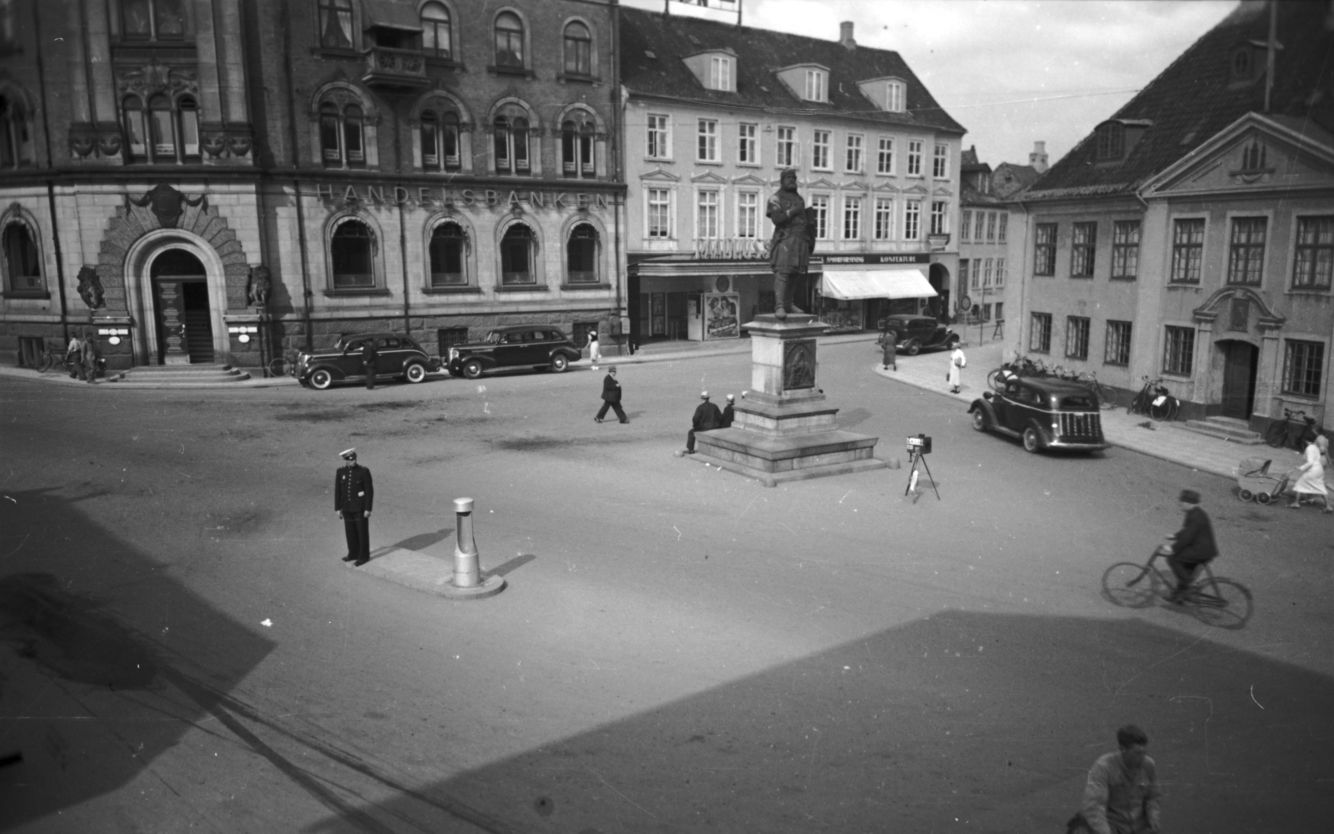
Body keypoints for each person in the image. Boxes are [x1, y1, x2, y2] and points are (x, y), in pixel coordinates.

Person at [1068, 725, 1162, 834]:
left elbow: (1153, 796)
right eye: (1137, 753)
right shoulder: (1103, 767)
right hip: (1111, 825)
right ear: (1123, 749)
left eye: (1144, 753)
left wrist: (1153, 815)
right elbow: (1095, 806)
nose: (1141, 758)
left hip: (1138, 825)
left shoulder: (1148, 765)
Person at [766, 168, 814, 319]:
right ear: (782, 180)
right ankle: (779, 305)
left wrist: (810, 240)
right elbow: (777, 219)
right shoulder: (775, 198)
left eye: (793, 178)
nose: (792, 180)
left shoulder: (799, 199)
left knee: (795, 274)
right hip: (786, 239)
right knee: (783, 273)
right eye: (788, 178)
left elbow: (807, 222)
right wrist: (793, 211)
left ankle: (788, 303)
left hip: (801, 240)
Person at [1163, 488, 1218, 603]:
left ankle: (1187, 587)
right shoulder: (1194, 513)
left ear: (1188, 503)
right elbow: (1186, 532)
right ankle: (1179, 597)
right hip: (1202, 549)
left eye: (1182, 502)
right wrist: (1175, 536)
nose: (1180, 504)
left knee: (1173, 559)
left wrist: (1173, 548)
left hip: (1201, 551)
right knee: (1184, 569)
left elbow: (1187, 537)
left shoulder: (1195, 517)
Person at [335, 448, 374, 566]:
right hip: (347, 508)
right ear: (345, 460)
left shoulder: (363, 471)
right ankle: (353, 553)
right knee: (350, 532)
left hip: (359, 508)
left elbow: (369, 491)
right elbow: (338, 491)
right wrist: (338, 508)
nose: (353, 462)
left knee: (362, 533)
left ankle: (363, 556)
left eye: (354, 460)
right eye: (350, 460)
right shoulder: (340, 472)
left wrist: (368, 508)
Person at [1289, 434, 1331, 512]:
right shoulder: (1318, 448)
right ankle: (1328, 506)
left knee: (1299, 484)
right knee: (1320, 487)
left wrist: (1300, 468)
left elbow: (1310, 462)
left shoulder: (1310, 448)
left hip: (1313, 469)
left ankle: (1296, 503)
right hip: (1320, 469)